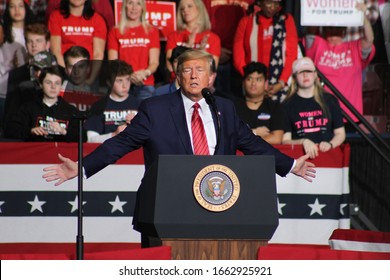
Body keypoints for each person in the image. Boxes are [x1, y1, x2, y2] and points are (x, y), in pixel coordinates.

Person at [42, 49, 316, 247]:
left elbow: (252, 143)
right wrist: (82, 167)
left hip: (220, 212)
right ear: (178, 75)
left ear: (211, 78)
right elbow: (121, 143)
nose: (194, 76)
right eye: (187, 70)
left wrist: (291, 165)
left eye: (200, 70)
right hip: (167, 210)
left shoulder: (225, 109)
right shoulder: (155, 109)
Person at [304, 2, 375, 131]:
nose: (333, 31)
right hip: (322, 114)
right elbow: (310, 32)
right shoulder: (318, 44)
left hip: (350, 116)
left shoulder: (354, 47)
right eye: (329, 28)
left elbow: (369, 40)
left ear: (343, 31)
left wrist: (364, 17)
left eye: (337, 28)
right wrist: (314, 9)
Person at [233, 0, 298, 102]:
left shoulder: (287, 20)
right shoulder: (246, 21)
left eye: (277, 3)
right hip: (252, 86)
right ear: (260, 2)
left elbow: (291, 55)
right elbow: (238, 57)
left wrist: (281, 82)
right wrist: (253, 79)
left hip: (278, 86)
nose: (272, 7)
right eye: (269, 3)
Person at [282, 57, 346, 159]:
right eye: (301, 72)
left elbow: (340, 133)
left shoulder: (330, 100)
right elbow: (285, 141)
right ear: (294, 77)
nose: (305, 75)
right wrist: (303, 141)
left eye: (308, 71)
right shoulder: (287, 105)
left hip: (328, 158)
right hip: (300, 159)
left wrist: (330, 144)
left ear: (315, 74)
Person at [5, 65, 82, 142]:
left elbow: (83, 136)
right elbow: (10, 129)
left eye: (57, 83)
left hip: (61, 153)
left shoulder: (70, 111)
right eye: (48, 83)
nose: (53, 87)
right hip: (35, 151)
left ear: (61, 86)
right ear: (41, 85)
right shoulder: (29, 108)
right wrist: (30, 131)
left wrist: (64, 131)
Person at [107, 0, 160, 101]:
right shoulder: (115, 31)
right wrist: (129, 77)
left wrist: (144, 73)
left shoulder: (151, 30)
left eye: (138, 4)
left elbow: (154, 62)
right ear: (125, 6)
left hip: (145, 84)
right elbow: (113, 62)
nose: (134, 7)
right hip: (122, 85)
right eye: (130, 3)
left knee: (145, 116)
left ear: (142, 8)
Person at [3, 50, 58, 139]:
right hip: (29, 145)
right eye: (36, 69)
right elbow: (9, 127)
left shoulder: (63, 91)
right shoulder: (23, 91)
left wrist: (64, 131)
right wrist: (30, 131)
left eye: (44, 70)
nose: (39, 73)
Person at [84, 60, 140, 143]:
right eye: (119, 80)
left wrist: (138, 125)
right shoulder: (98, 107)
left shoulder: (140, 105)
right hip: (107, 153)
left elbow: (152, 136)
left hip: (135, 153)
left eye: (127, 79)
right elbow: (91, 139)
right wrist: (114, 134)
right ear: (109, 83)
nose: (125, 85)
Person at [0, 0, 36, 127]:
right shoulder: (2, 30)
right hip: (3, 89)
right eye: (12, 6)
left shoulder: (34, 30)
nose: (17, 10)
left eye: (20, 6)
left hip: (25, 89)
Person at [234, 61, 285, 145]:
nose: (253, 83)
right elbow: (230, 137)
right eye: (249, 79)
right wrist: (255, 132)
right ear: (243, 82)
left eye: (258, 79)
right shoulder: (233, 107)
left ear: (266, 83)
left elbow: (276, 139)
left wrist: (245, 138)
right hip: (239, 157)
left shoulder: (275, 107)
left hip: (267, 157)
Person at [165, 0, 221, 74]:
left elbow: (212, 70)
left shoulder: (212, 38)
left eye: (189, 6)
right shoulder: (174, 36)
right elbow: (169, 66)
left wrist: (202, 52)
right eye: (182, 8)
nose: (185, 10)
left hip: (203, 84)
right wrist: (188, 47)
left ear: (199, 9)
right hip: (178, 83)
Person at [48, 0, 107, 67]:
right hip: (64, 68)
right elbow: (56, 51)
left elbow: (98, 54)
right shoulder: (56, 17)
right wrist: (66, 73)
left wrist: (91, 77)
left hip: (89, 71)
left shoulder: (98, 20)